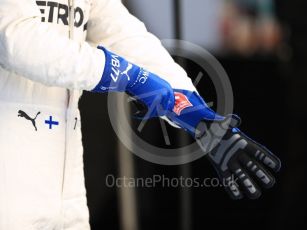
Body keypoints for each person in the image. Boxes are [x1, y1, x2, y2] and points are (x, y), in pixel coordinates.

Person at [0, 0, 281, 229]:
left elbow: (130, 41)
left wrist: (199, 117)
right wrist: (126, 76)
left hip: (64, 187)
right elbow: (14, 39)